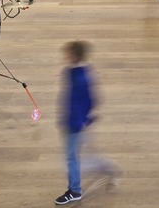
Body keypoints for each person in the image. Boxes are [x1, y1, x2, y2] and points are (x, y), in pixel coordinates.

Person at [55, 41, 120, 205]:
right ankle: (110, 170)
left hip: (76, 125)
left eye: (68, 54)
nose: (65, 56)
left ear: (75, 56)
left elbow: (91, 100)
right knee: (82, 156)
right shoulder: (71, 72)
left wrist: (79, 121)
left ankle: (75, 191)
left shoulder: (81, 77)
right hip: (73, 122)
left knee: (72, 158)